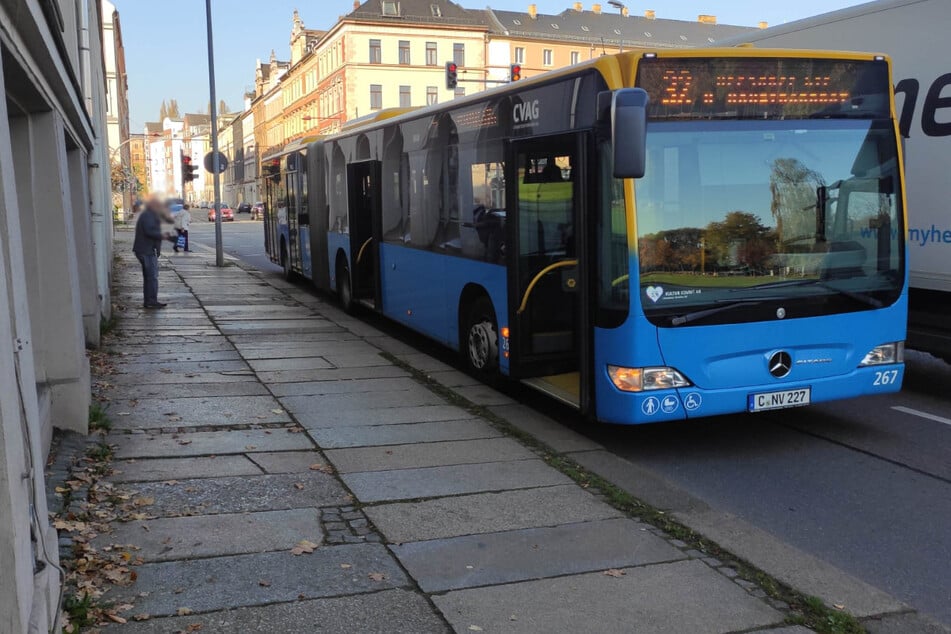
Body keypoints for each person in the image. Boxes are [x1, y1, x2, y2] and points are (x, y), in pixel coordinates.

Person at [133, 194, 169, 309]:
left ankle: (150, 300)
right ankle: (151, 301)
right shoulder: (149, 215)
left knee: (150, 277)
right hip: (146, 250)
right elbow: (149, 231)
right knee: (152, 277)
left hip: (147, 249)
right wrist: (162, 235)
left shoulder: (150, 215)